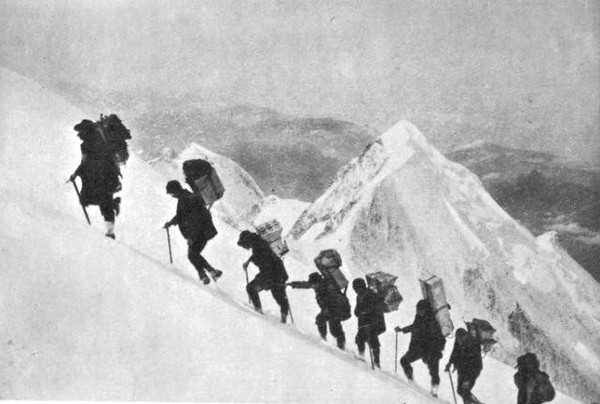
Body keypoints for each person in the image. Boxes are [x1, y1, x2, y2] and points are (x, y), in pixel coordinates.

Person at [69, 119, 121, 239]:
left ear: (86, 131)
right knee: (91, 200)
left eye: (81, 131)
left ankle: (110, 232)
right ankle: (112, 209)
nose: (79, 134)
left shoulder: (90, 144)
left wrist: (77, 173)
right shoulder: (96, 141)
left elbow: (87, 162)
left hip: (102, 177)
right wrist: (77, 173)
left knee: (102, 203)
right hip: (102, 177)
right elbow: (87, 162)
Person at [163, 180, 222, 285]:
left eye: (172, 193)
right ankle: (211, 272)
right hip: (204, 230)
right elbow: (181, 216)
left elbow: (194, 221)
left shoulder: (186, 199)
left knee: (192, 255)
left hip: (201, 232)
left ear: (176, 190)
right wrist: (171, 223)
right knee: (193, 254)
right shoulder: (185, 197)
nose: (172, 196)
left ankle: (205, 275)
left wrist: (191, 236)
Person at [396, 299, 446, 397]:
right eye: (417, 309)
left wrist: (433, 349)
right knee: (404, 361)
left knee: (434, 372)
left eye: (420, 309)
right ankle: (411, 380)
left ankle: (434, 391)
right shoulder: (419, 318)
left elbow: (437, 338)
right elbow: (414, 327)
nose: (418, 311)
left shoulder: (432, 321)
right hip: (420, 348)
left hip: (432, 350)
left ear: (425, 310)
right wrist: (402, 330)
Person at [237, 230, 290, 323]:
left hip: (271, 274)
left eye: (244, 245)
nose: (245, 247)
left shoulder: (258, 245)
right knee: (280, 297)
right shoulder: (259, 242)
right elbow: (261, 255)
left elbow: (263, 260)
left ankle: (258, 313)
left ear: (247, 241)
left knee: (251, 288)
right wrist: (249, 261)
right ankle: (284, 320)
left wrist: (266, 280)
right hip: (280, 272)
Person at [288, 272, 350, 349]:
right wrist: (291, 284)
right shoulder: (318, 285)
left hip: (339, 309)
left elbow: (335, 299)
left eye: (314, 284)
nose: (313, 286)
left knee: (333, 328)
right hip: (330, 309)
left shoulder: (328, 286)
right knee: (322, 321)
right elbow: (306, 284)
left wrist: (328, 309)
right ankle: (324, 339)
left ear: (318, 282)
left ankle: (341, 345)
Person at [352, 278, 386, 368]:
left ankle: (376, 362)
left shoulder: (371, 295)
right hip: (364, 322)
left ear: (361, 287)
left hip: (374, 322)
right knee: (360, 338)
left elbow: (376, 308)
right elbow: (358, 308)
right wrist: (358, 312)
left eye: (356, 288)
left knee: (372, 339)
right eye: (354, 289)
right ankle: (361, 356)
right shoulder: (359, 296)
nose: (355, 291)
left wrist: (366, 312)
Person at [445, 328, 483, 404]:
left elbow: (473, 361)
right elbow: (455, 352)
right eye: (458, 338)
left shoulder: (472, 343)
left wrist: (468, 377)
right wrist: (450, 363)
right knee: (460, 390)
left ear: (465, 336)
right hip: (462, 368)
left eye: (461, 338)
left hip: (473, 370)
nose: (459, 340)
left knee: (464, 389)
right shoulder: (458, 341)